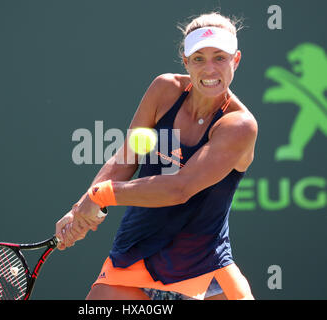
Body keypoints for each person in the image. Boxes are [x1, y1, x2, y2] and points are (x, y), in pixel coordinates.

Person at [55, 12, 258, 300]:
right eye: (199, 58)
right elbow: (128, 156)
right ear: (186, 62)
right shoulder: (164, 90)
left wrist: (100, 196)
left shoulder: (239, 125)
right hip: (132, 260)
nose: (210, 69)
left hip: (205, 273)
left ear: (235, 60)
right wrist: (78, 210)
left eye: (220, 58)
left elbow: (180, 188)